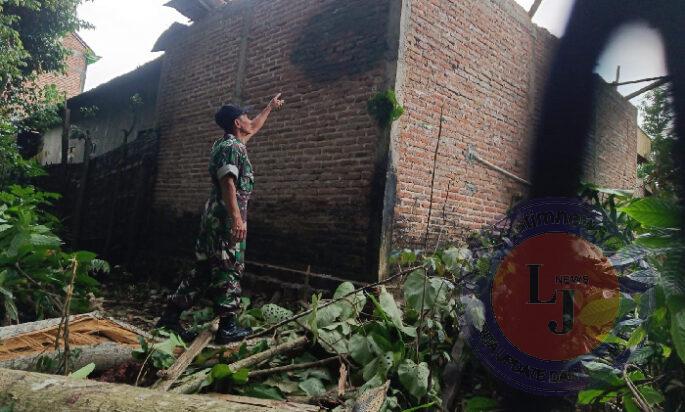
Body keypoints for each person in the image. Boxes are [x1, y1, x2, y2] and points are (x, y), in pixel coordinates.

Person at [156, 93, 285, 344]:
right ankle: (227, 327)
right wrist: (237, 219)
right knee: (230, 267)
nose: (250, 119)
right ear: (237, 123)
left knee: (204, 270)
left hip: (215, 217)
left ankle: (170, 318)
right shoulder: (231, 148)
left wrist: (269, 107)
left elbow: (254, 127)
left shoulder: (227, 144)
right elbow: (228, 183)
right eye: (245, 116)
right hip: (225, 218)